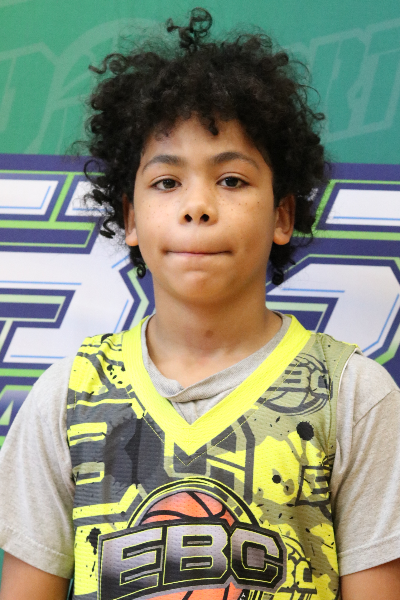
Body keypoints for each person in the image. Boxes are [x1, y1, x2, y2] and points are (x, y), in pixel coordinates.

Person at [0, 8, 399, 600]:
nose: (197, 206)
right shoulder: (67, 399)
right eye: (167, 182)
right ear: (131, 219)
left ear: (282, 215)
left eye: (231, 180)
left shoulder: (354, 396)